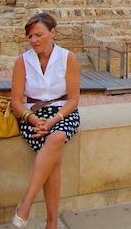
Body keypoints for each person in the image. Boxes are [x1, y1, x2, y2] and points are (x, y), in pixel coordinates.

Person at [10, 13, 81, 228]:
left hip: (63, 113)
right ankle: (52, 222)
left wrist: (53, 121)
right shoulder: (22, 61)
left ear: (52, 33)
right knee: (55, 157)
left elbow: (74, 99)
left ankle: (26, 204)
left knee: (56, 137)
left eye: (39, 35)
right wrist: (33, 120)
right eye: (30, 36)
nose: (34, 41)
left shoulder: (67, 58)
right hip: (32, 116)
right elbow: (16, 102)